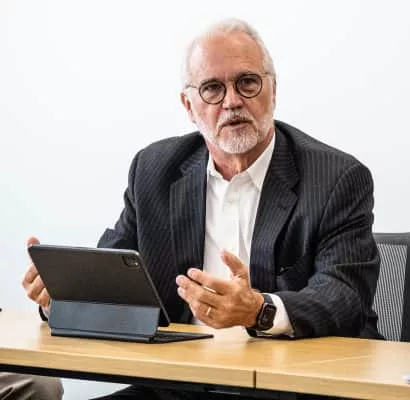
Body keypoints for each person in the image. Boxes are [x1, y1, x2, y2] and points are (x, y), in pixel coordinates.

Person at [22, 18, 382, 399]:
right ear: (189, 106)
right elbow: (114, 278)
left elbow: (344, 295)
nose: (232, 101)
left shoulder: (336, 178)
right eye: (212, 88)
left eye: (247, 82)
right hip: (179, 385)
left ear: (273, 90)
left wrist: (258, 310)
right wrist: (63, 296)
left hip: (293, 385)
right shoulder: (154, 171)